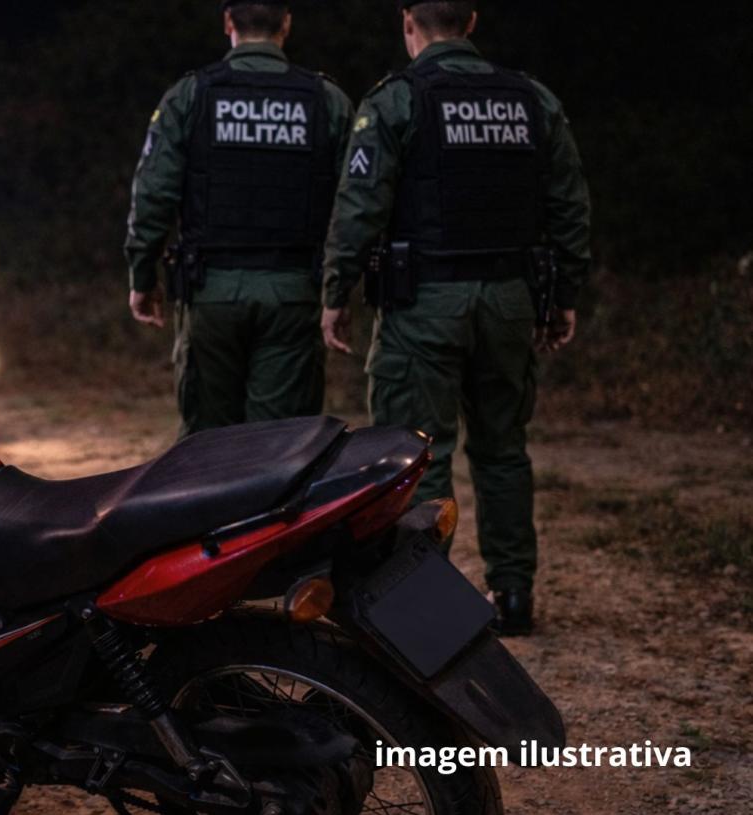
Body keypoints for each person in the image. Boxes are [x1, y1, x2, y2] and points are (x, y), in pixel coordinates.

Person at [320, 0, 592, 635]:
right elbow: (570, 206)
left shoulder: (396, 101)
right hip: (508, 300)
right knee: (502, 450)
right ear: (472, 22)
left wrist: (336, 291)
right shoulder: (531, 100)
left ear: (408, 23)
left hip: (423, 304)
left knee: (419, 454)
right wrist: (562, 296)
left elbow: (360, 207)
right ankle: (515, 595)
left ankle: (427, 610)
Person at [125, 0, 353, 436]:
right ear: (286, 23)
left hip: (211, 292)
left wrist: (141, 276)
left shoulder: (190, 95)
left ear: (228, 22)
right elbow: (354, 203)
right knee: (278, 448)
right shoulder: (327, 100)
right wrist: (339, 287)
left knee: (208, 450)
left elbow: (153, 194)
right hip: (293, 293)